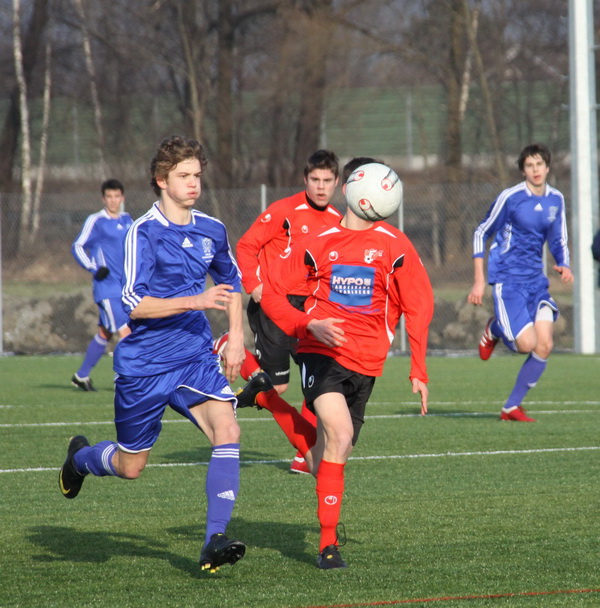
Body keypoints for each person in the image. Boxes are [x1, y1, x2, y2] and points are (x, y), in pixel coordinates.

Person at [59, 136, 247, 573]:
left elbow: (232, 283)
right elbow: (134, 304)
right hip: (144, 365)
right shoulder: (142, 232)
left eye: (197, 175)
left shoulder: (212, 229)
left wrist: (236, 336)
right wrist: (196, 301)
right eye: (183, 175)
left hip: (194, 356)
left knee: (228, 430)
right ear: (161, 180)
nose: (193, 183)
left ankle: (214, 540)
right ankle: (80, 459)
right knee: (131, 467)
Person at [234, 159, 434, 569]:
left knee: (320, 460)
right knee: (339, 435)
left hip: (367, 363)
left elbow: (419, 304)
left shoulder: (395, 245)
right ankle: (328, 546)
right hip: (320, 353)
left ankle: (267, 398)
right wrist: (308, 324)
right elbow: (273, 294)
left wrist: (419, 368)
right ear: (357, 193)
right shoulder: (319, 243)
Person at [232, 149, 344, 474]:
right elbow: (246, 245)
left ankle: (302, 455)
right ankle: (228, 345)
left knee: (323, 382)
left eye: (327, 180)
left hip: (310, 311)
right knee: (277, 387)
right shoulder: (284, 210)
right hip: (275, 305)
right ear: (305, 179)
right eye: (315, 179)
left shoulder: (337, 221)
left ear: (336, 182)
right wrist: (254, 284)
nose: (321, 186)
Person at [468, 143, 574, 422]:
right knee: (527, 344)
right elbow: (481, 232)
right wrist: (479, 279)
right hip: (508, 280)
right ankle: (495, 328)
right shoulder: (511, 198)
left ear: (547, 167)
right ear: (523, 170)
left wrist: (564, 263)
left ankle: (511, 407)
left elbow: (558, 237)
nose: (535, 169)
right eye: (529, 165)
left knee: (545, 345)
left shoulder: (556, 199)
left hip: (536, 282)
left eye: (539, 164)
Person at [70, 179, 133, 391]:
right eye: (109, 196)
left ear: (122, 198)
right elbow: (78, 246)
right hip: (107, 289)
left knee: (105, 333)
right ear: (103, 199)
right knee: (127, 333)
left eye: (117, 196)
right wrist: (93, 268)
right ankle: (127, 380)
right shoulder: (96, 220)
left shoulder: (128, 220)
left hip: (125, 289)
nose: (113, 200)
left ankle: (81, 376)